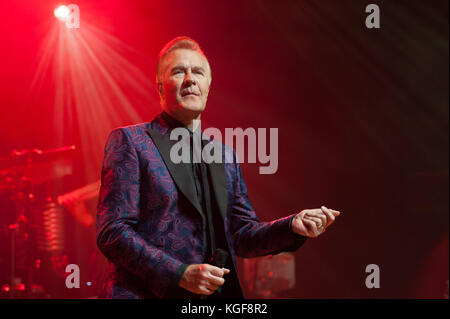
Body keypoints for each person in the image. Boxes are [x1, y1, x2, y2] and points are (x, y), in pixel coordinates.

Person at [96, 36, 341, 299]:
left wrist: (291, 225)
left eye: (198, 72)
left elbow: (242, 235)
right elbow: (113, 232)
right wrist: (179, 273)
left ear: (208, 86)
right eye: (179, 72)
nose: (190, 78)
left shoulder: (225, 156)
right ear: (160, 87)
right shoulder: (131, 141)